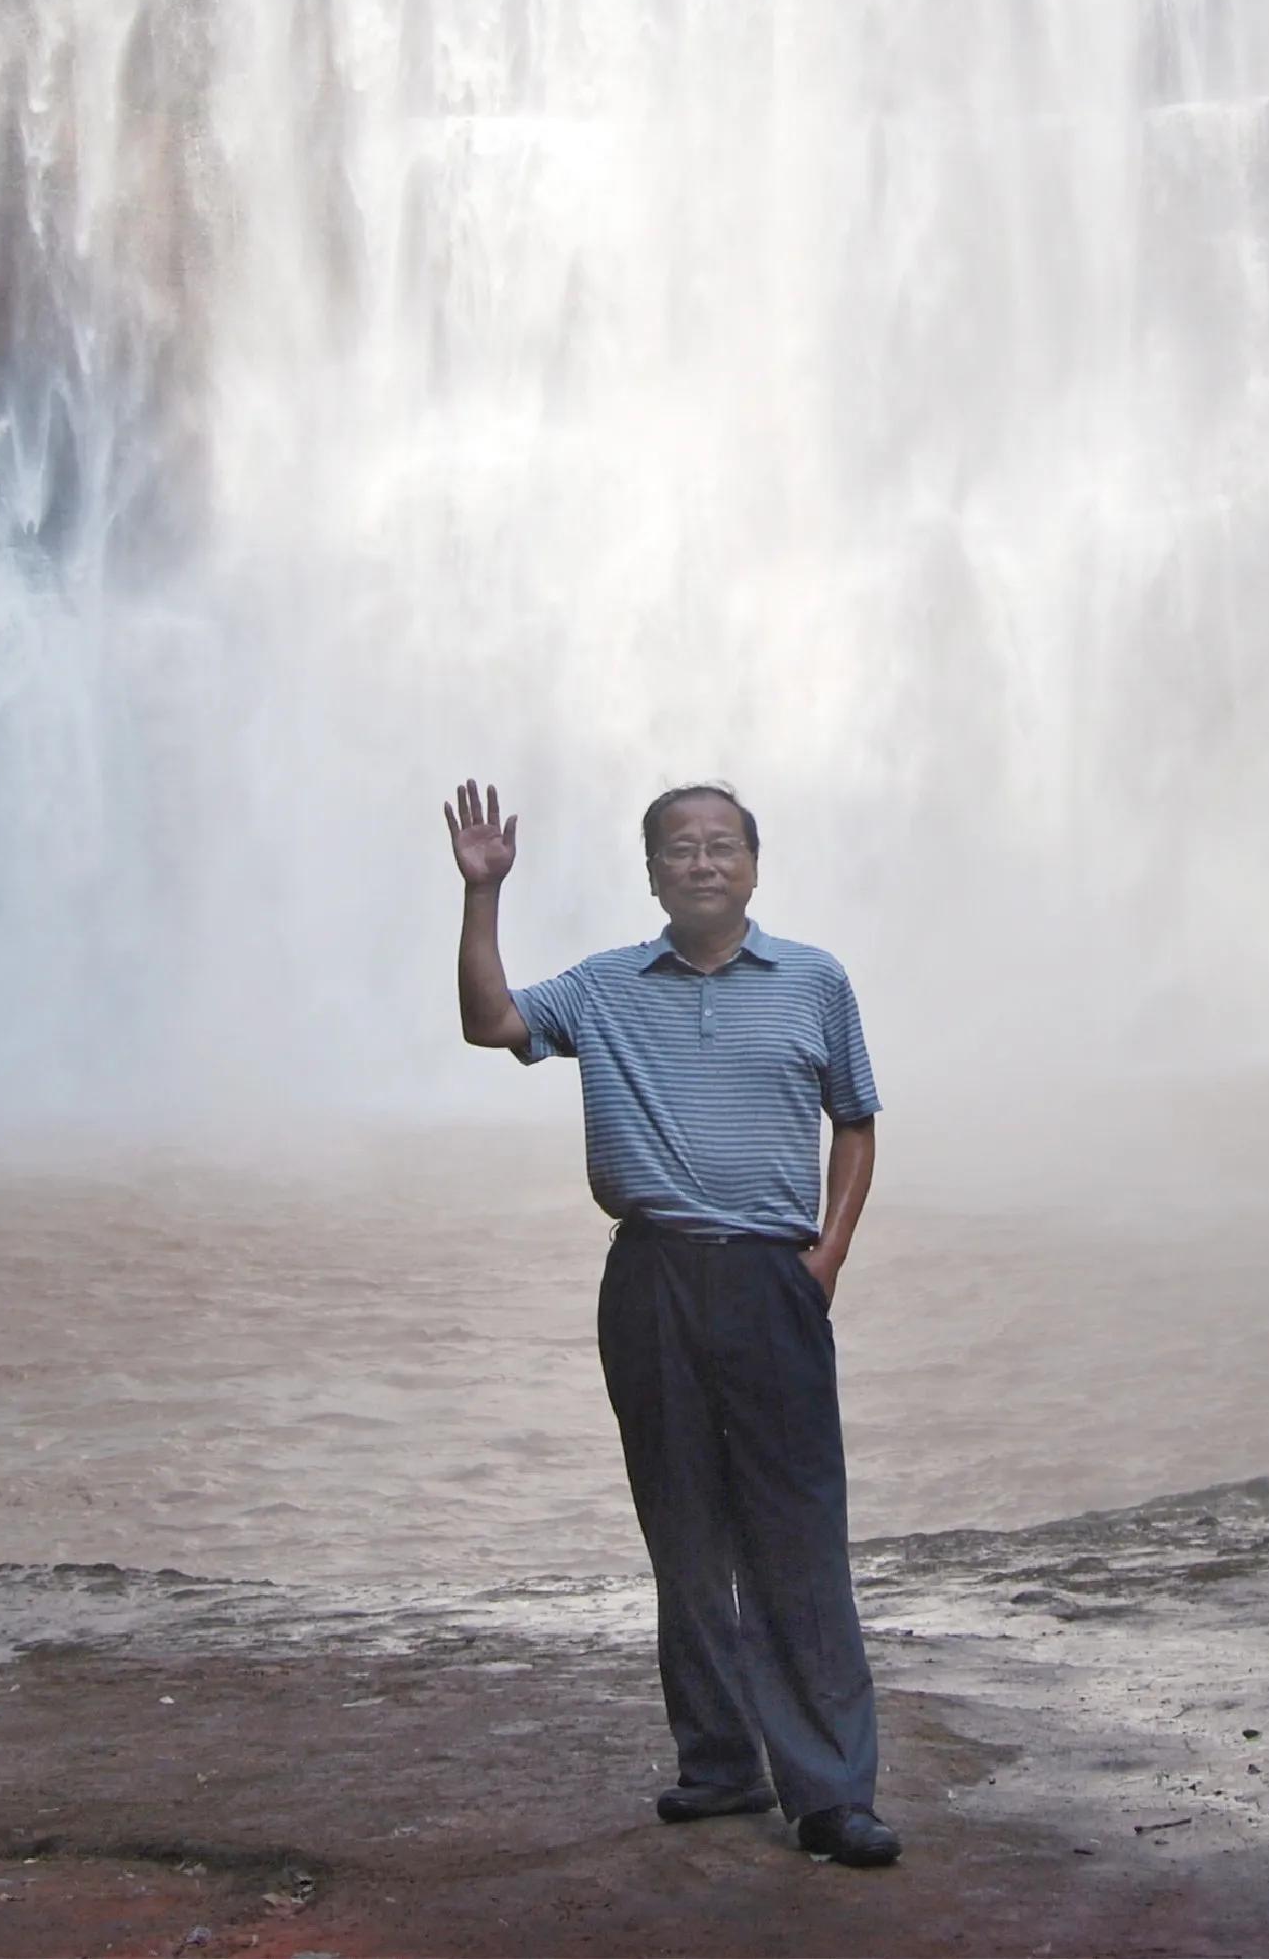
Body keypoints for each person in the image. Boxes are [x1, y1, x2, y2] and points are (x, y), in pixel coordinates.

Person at [443, 775, 900, 1870]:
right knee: (683, 1527)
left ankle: (831, 1791)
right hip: (650, 1275)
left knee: (795, 1533)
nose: (702, 862)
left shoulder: (813, 980)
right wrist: (481, 895)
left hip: (770, 1278)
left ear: (754, 863)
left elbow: (857, 1122)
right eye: (680, 848)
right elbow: (488, 1022)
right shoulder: (603, 986)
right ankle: (720, 1763)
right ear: (651, 872)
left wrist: (826, 1253)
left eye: (721, 845)